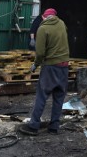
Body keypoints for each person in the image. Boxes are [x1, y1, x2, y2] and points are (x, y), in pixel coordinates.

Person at [19, 8, 70, 136]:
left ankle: (33, 125)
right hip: (64, 66)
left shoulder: (43, 29)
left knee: (42, 96)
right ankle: (54, 127)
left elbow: (40, 52)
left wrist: (35, 64)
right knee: (59, 97)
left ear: (44, 17)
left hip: (50, 66)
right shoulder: (62, 24)